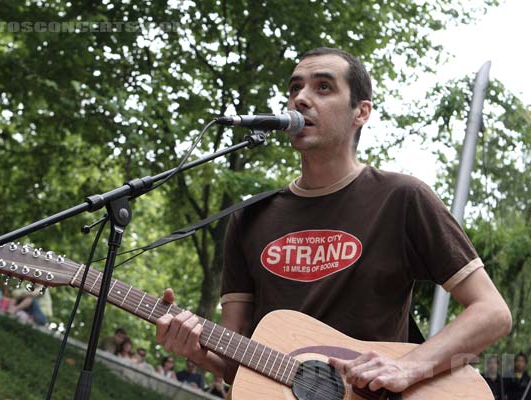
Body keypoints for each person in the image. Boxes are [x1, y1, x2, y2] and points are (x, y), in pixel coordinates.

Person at [154, 47, 512, 392]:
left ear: (362, 112)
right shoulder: (250, 217)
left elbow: (492, 312)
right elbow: (235, 363)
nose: (301, 98)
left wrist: (409, 365)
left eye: (323, 87)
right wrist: (197, 351)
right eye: (295, 88)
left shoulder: (403, 198)